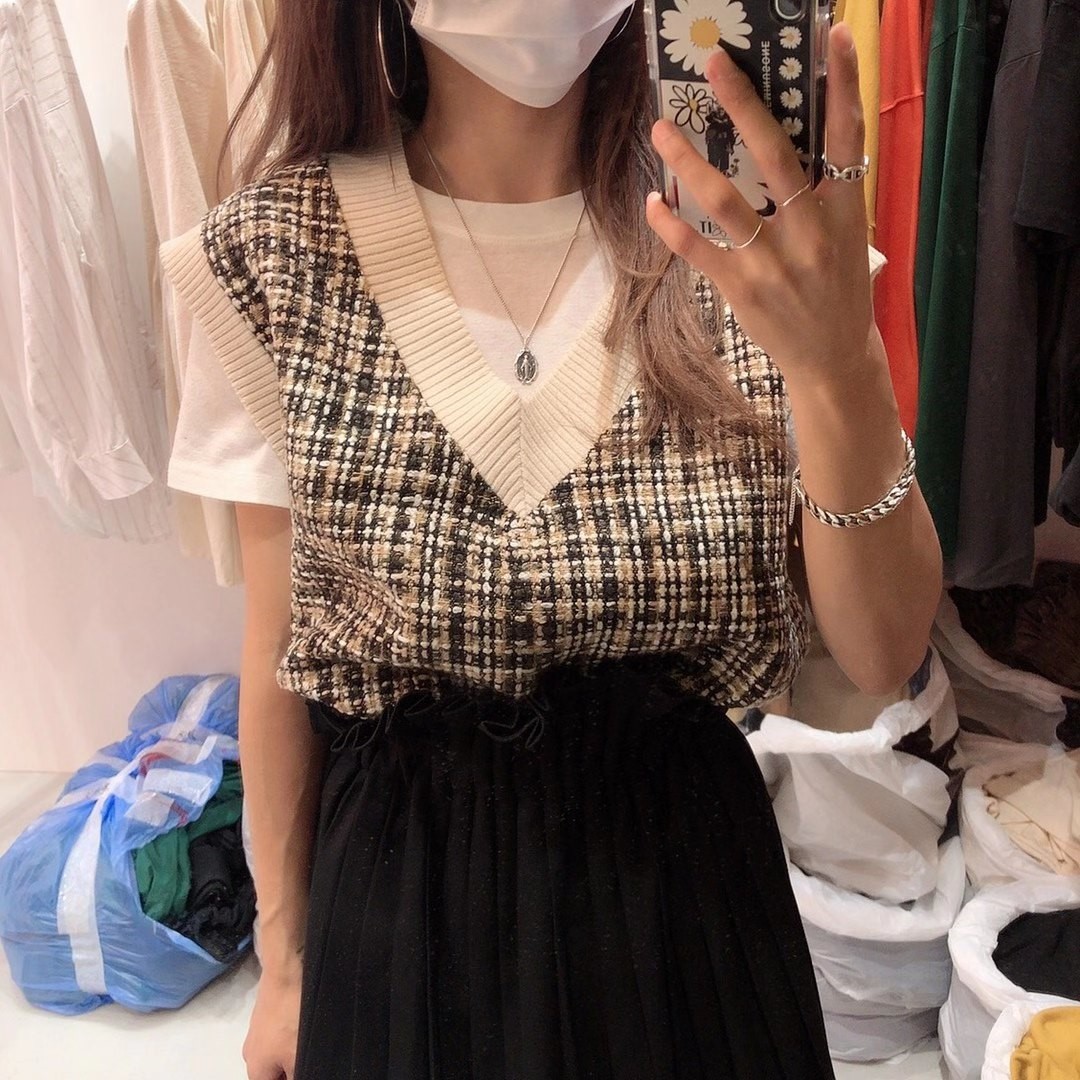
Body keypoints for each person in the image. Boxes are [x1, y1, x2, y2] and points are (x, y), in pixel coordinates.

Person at [161, 2, 944, 1077]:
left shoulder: (745, 234)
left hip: (686, 915)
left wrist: (838, 364)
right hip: (399, 920)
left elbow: (883, 650)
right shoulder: (269, 256)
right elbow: (279, 646)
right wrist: (285, 961)